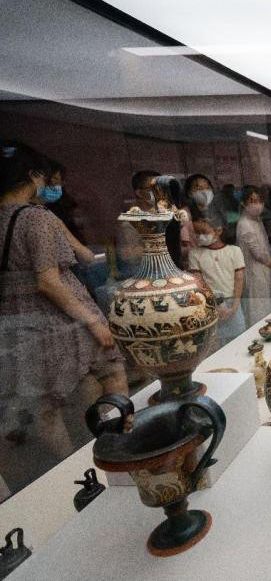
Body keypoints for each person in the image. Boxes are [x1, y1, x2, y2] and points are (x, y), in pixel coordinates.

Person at [0, 142, 127, 461]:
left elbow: (79, 255)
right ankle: (115, 446)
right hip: (58, 319)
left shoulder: (17, 217)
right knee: (109, 372)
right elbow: (48, 281)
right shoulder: (36, 219)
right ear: (33, 176)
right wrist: (94, 321)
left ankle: (73, 463)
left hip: (17, 320)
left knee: (46, 401)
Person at [188, 216, 246, 348]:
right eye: (197, 233)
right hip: (209, 304)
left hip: (233, 302)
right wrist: (212, 305)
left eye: (204, 233)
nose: (200, 236)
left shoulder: (234, 251)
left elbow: (239, 279)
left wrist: (235, 306)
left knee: (239, 343)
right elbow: (199, 282)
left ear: (218, 231)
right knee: (214, 346)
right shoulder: (194, 254)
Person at [116, 171, 183, 276]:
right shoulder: (130, 223)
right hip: (146, 277)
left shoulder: (168, 215)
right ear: (139, 193)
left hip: (171, 273)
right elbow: (128, 256)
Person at [236, 186, 271, 327]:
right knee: (257, 308)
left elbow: (265, 244)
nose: (257, 205)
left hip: (264, 269)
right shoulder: (244, 224)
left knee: (266, 304)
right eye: (252, 201)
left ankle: (269, 328)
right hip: (254, 271)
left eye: (260, 201)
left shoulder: (257, 220)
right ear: (244, 203)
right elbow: (257, 252)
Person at [181, 174, 226, 255]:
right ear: (189, 193)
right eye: (199, 188)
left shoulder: (215, 211)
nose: (205, 191)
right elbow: (182, 247)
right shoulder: (184, 214)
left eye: (207, 187)